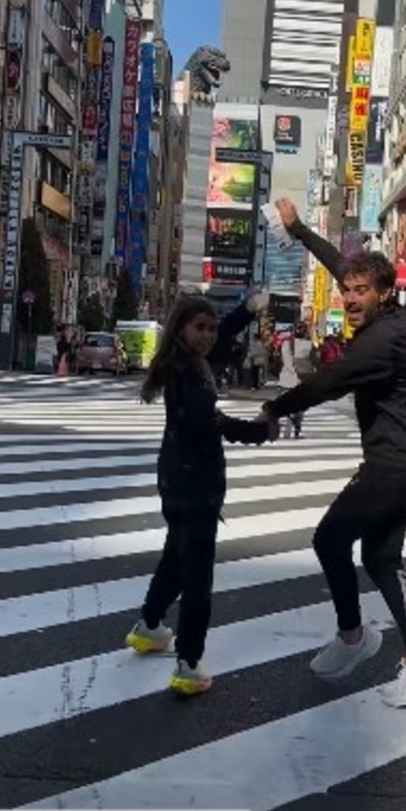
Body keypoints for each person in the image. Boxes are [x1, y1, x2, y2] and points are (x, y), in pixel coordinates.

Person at [258, 198, 406, 708]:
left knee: (329, 540)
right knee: (383, 557)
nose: (349, 297)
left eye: (360, 291)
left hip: (392, 465)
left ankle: (355, 637)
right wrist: (299, 228)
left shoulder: (381, 341)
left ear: (384, 294)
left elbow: (327, 382)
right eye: (347, 291)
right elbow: (338, 263)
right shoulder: (389, 320)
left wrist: (275, 409)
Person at [125, 293, 276, 695]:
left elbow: (224, 336)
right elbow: (211, 424)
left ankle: (150, 626)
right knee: (197, 578)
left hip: (176, 481)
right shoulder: (191, 374)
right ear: (181, 330)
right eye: (200, 328)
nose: (209, 335)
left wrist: (245, 310)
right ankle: (188, 664)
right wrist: (261, 428)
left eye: (210, 327)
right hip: (195, 487)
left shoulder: (186, 362)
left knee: (177, 557)